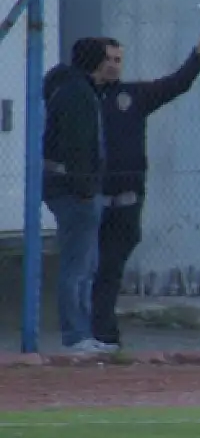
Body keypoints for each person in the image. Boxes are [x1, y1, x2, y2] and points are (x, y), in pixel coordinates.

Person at [90, 17, 200, 349]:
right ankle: (89, 333)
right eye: (108, 59)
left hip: (127, 200)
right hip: (88, 200)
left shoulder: (134, 96)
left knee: (110, 267)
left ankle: (103, 334)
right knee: (86, 270)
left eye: (118, 60)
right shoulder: (80, 97)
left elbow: (178, 83)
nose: (113, 66)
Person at [42, 38, 111, 355]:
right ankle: (76, 335)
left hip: (67, 189)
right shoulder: (79, 94)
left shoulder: (69, 88)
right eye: (108, 58)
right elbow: (78, 145)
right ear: (97, 61)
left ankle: (82, 333)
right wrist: (85, 189)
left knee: (84, 264)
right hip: (74, 192)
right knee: (78, 266)